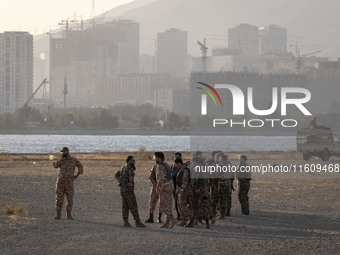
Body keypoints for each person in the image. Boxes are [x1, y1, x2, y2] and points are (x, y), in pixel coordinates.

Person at [115, 156, 146, 227]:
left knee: (125, 206)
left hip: (123, 190)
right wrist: (131, 183)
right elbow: (131, 177)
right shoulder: (130, 168)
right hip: (129, 191)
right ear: (129, 161)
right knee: (133, 206)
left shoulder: (122, 167)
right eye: (132, 160)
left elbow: (116, 174)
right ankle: (137, 222)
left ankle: (126, 222)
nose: (134, 162)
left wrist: (120, 181)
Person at [53, 147, 83, 220]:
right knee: (59, 198)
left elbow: (80, 166)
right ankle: (58, 215)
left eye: (64, 151)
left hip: (69, 183)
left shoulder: (73, 160)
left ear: (67, 151)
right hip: (60, 182)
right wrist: (60, 159)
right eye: (62, 152)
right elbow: (55, 166)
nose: (63, 153)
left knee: (69, 199)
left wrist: (76, 176)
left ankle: (68, 215)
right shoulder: (60, 160)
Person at [154, 152, 177, 228]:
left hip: (165, 187)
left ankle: (172, 219)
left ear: (159, 158)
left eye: (156, 157)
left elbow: (161, 179)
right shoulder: (166, 165)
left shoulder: (160, 166)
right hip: (170, 186)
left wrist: (157, 188)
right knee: (169, 204)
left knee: (162, 206)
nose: (155, 159)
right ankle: (167, 222)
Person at [174, 158, 194, 228]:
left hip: (185, 190)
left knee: (183, 205)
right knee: (179, 205)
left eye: (176, 164)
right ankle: (184, 220)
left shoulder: (185, 170)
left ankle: (191, 218)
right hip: (180, 189)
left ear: (179, 163)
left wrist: (182, 191)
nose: (176, 166)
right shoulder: (181, 169)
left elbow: (185, 181)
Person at [171, 152, 182, 220]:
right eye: (175, 157)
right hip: (174, 186)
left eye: (178, 157)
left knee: (182, 202)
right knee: (176, 201)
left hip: (180, 186)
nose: (176, 158)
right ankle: (178, 215)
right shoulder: (172, 166)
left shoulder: (182, 167)